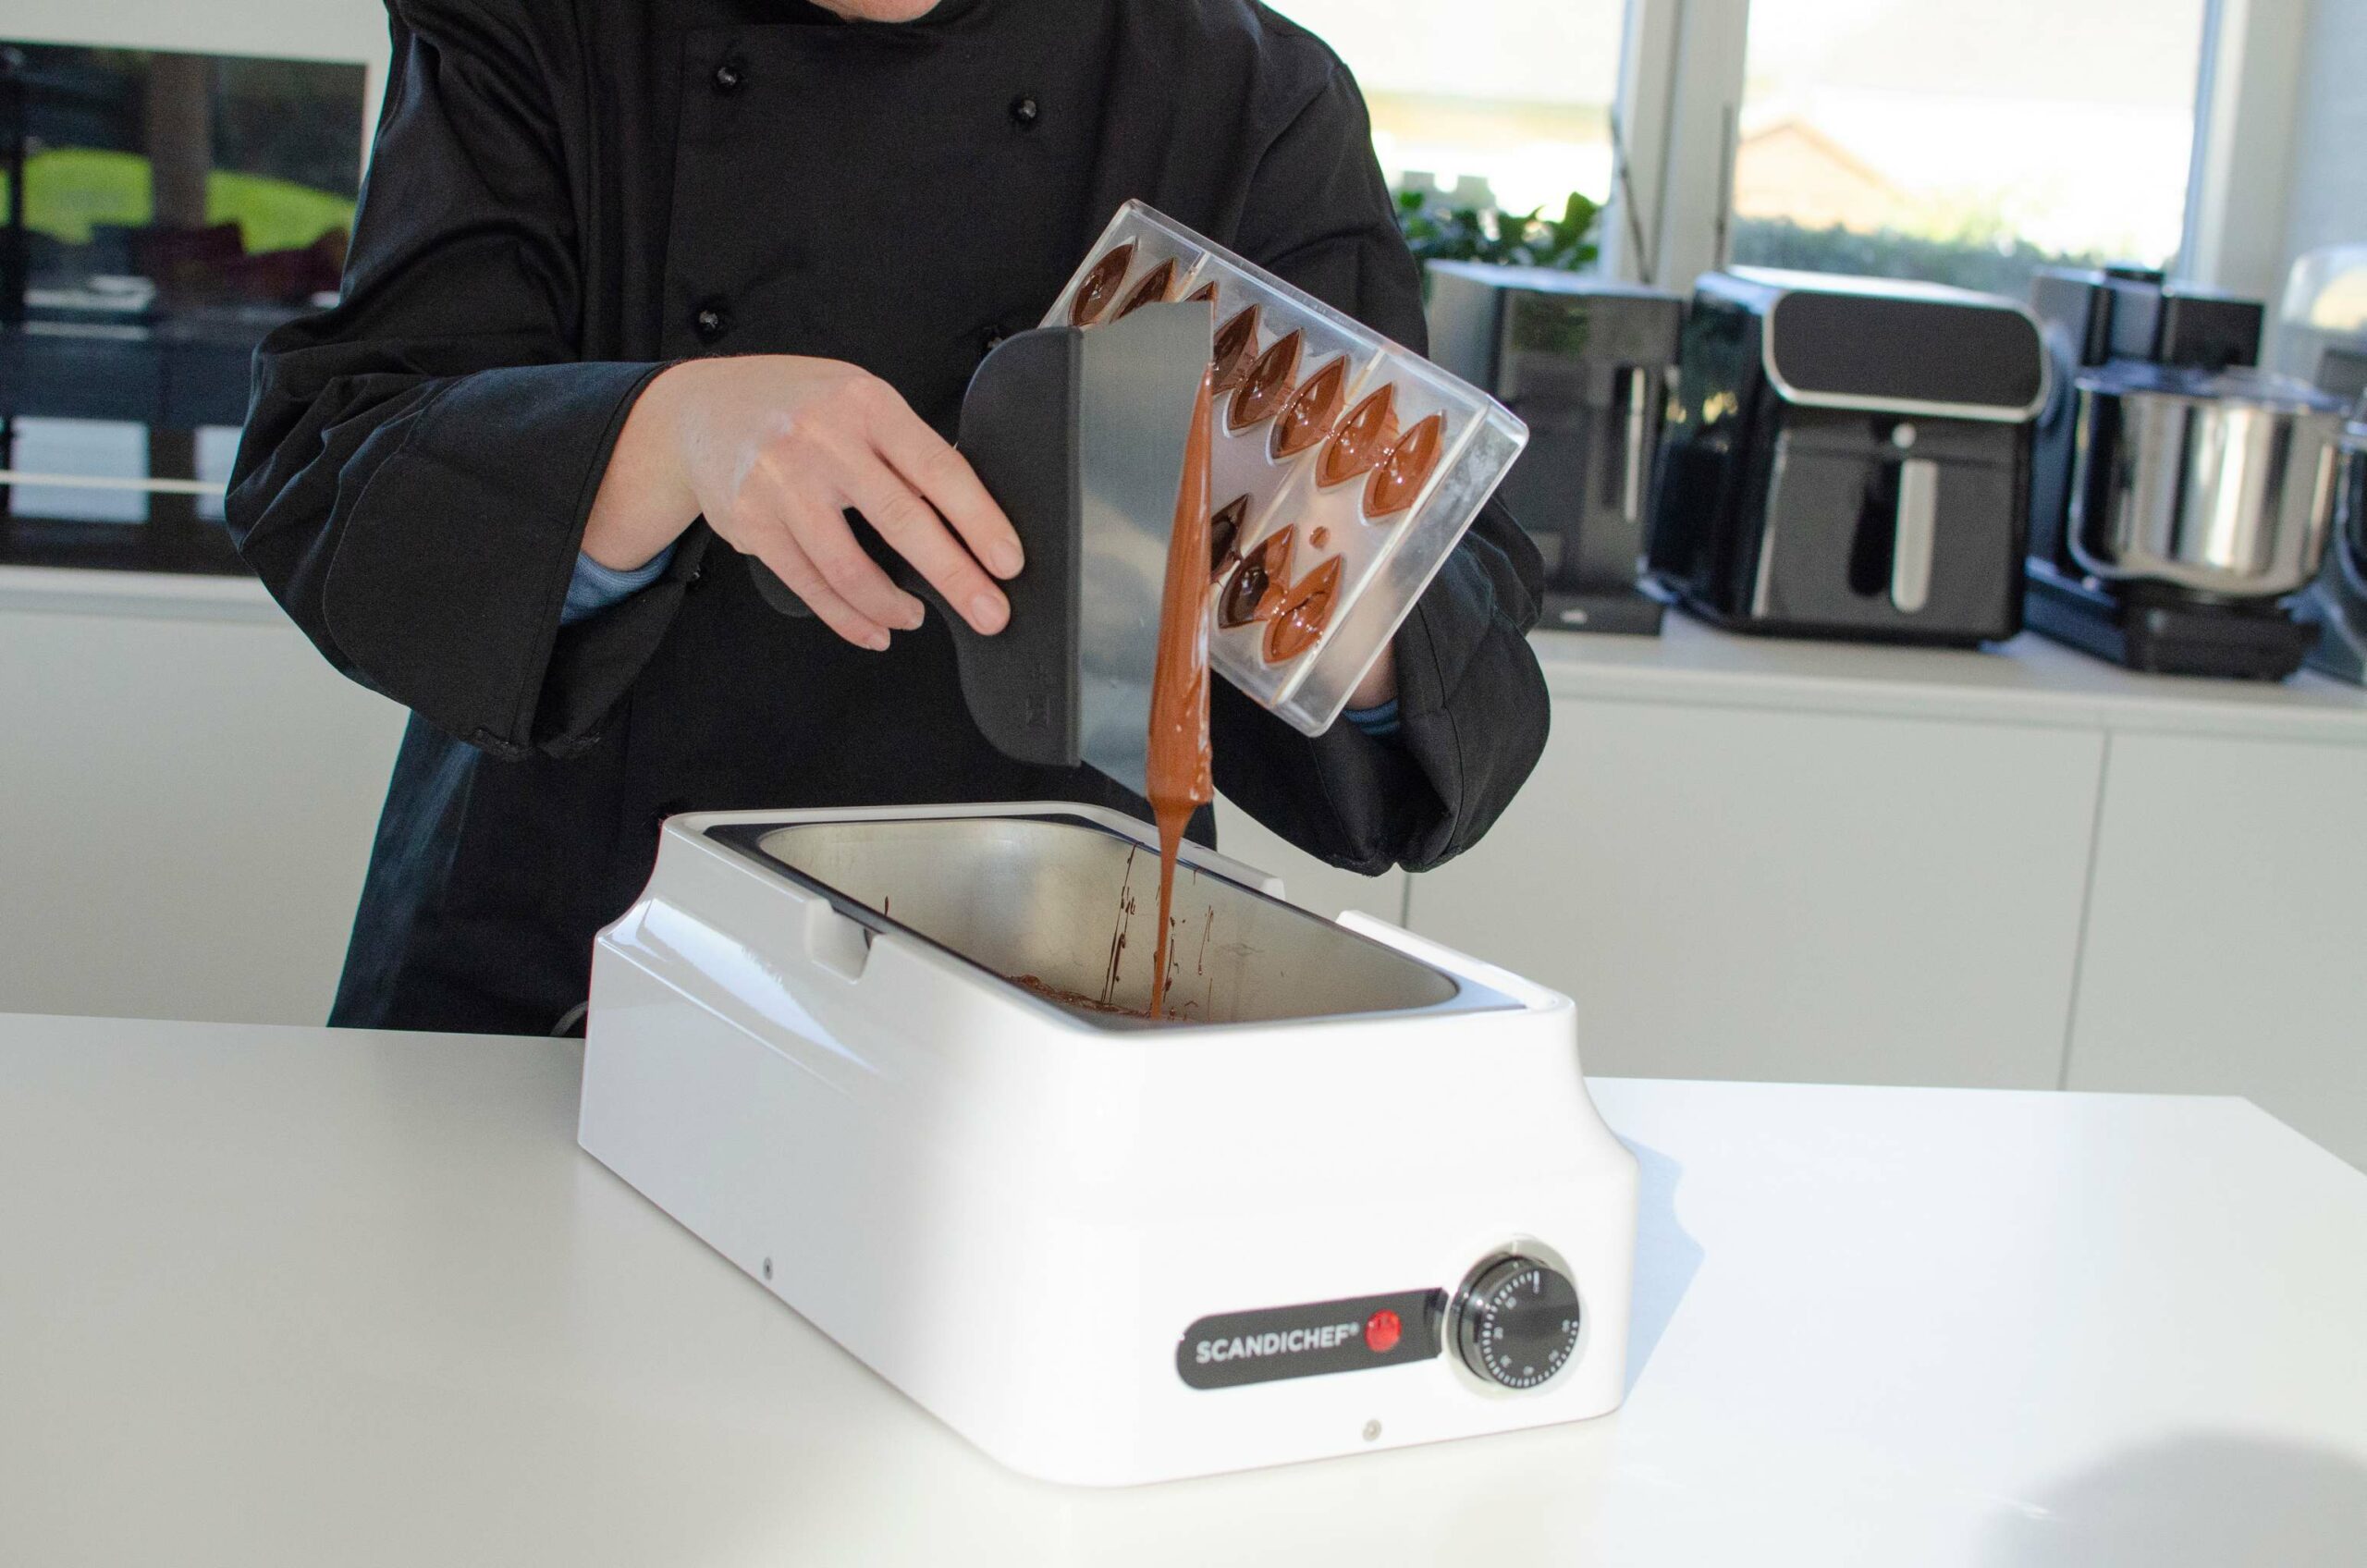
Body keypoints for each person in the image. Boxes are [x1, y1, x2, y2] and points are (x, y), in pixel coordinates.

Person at [227, 0, 1551, 1036]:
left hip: (1031, 1022)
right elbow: (335, 474)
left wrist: (1325, 592)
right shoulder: (541, 26)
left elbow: (1461, 669)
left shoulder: (1242, 94)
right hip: (562, 985)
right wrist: (670, 434)